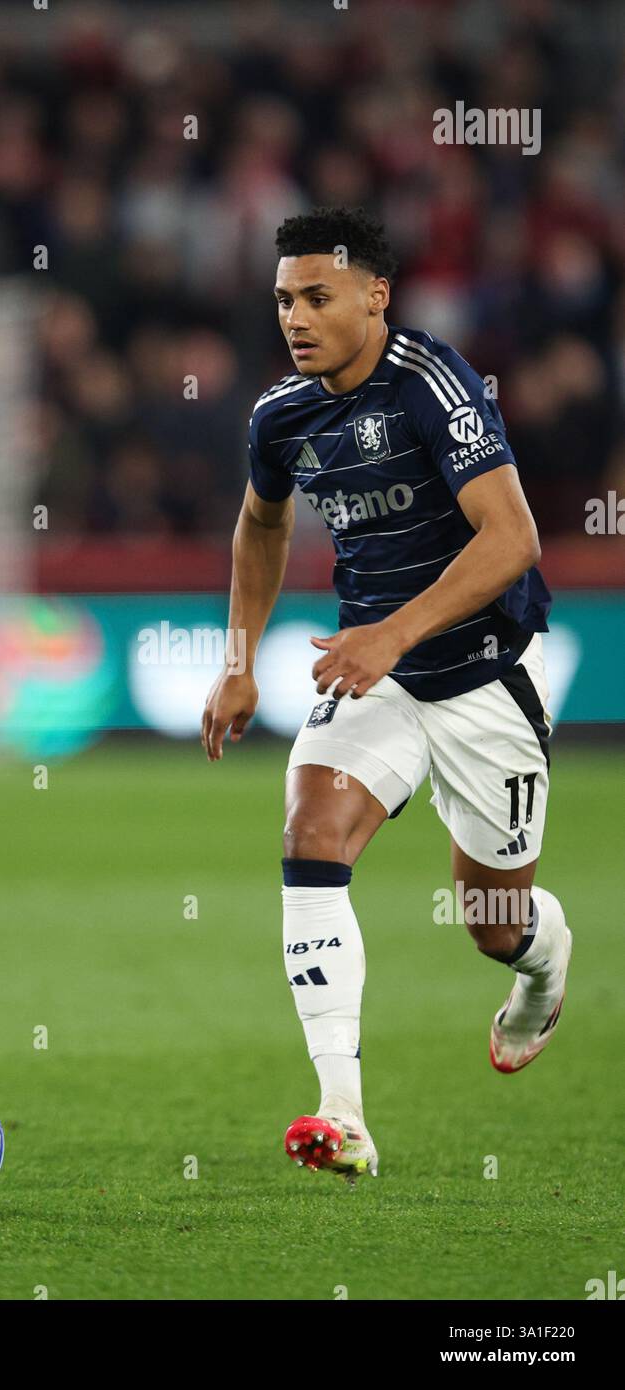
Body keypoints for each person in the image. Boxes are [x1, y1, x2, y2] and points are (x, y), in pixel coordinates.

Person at [200, 207, 571, 1182]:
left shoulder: (429, 384)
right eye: (283, 298)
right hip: (377, 675)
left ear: (374, 294)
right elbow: (259, 527)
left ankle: (544, 965)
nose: (294, 316)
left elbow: (511, 539)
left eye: (316, 295)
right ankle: (341, 1111)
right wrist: (238, 659)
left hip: (485, 675)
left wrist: (390, 631)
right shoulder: (280, 416)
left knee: (492, 926)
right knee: (308, 834)